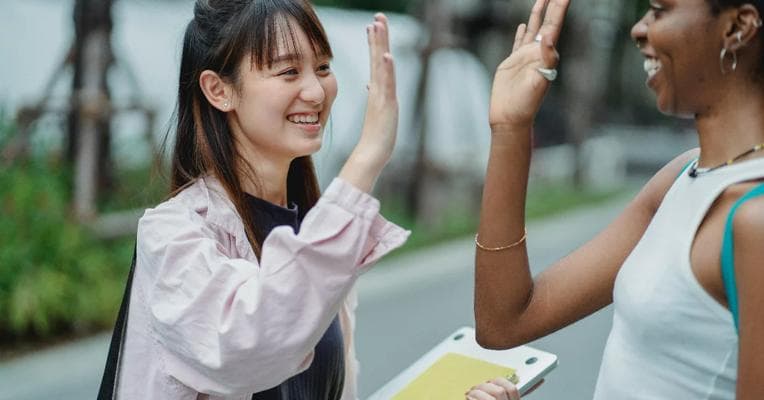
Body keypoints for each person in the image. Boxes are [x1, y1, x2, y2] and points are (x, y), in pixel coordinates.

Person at [468, 0, 764, 399]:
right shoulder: (681, 178)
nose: (639, 29)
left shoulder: (754, 219)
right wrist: (511, 128)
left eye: (660, 11)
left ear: (738, 28)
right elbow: (505, 321)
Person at [113, 1, 408, 398]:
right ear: (219, 90)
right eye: (289, 71)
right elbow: (256, 342)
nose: (316, 90)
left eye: (322, 67)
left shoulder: (312, 230)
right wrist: (367, 157)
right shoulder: (172, 236)